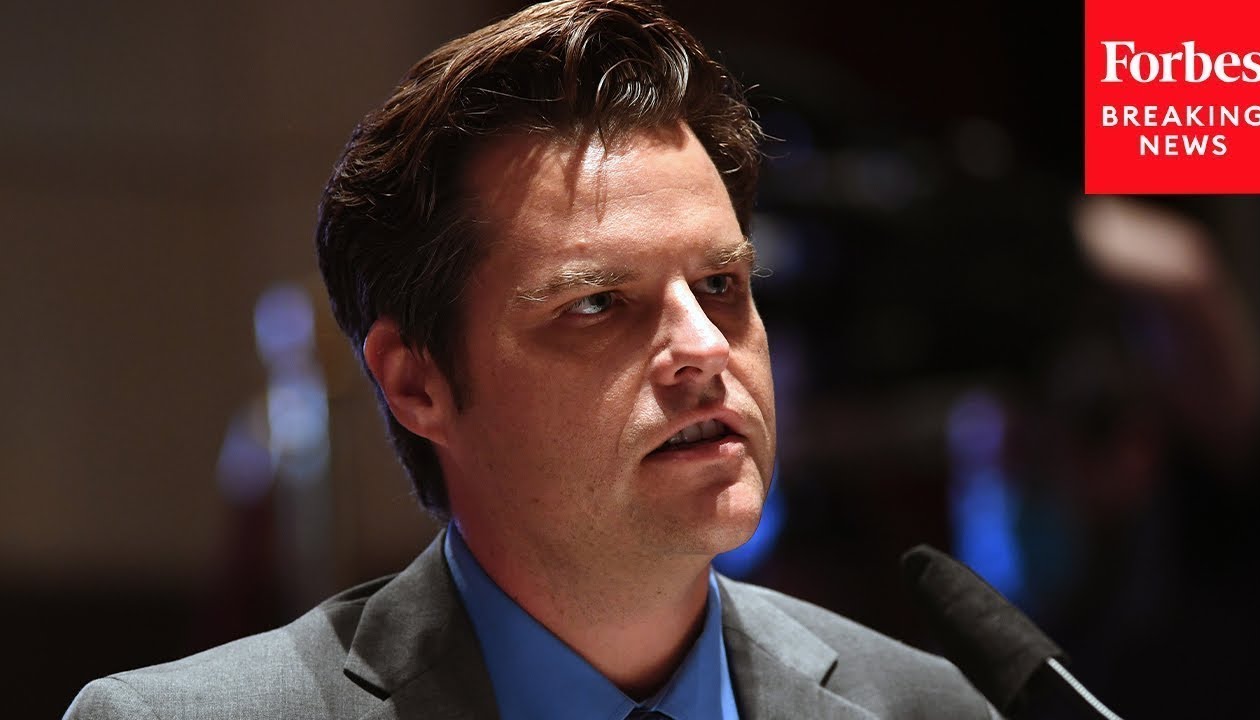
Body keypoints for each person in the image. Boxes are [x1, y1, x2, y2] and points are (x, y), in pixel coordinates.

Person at [65, 1, 995, 717]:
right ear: (417, 382)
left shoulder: (932, 708)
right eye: (597, 303)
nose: (706, 349)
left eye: (721, 284)